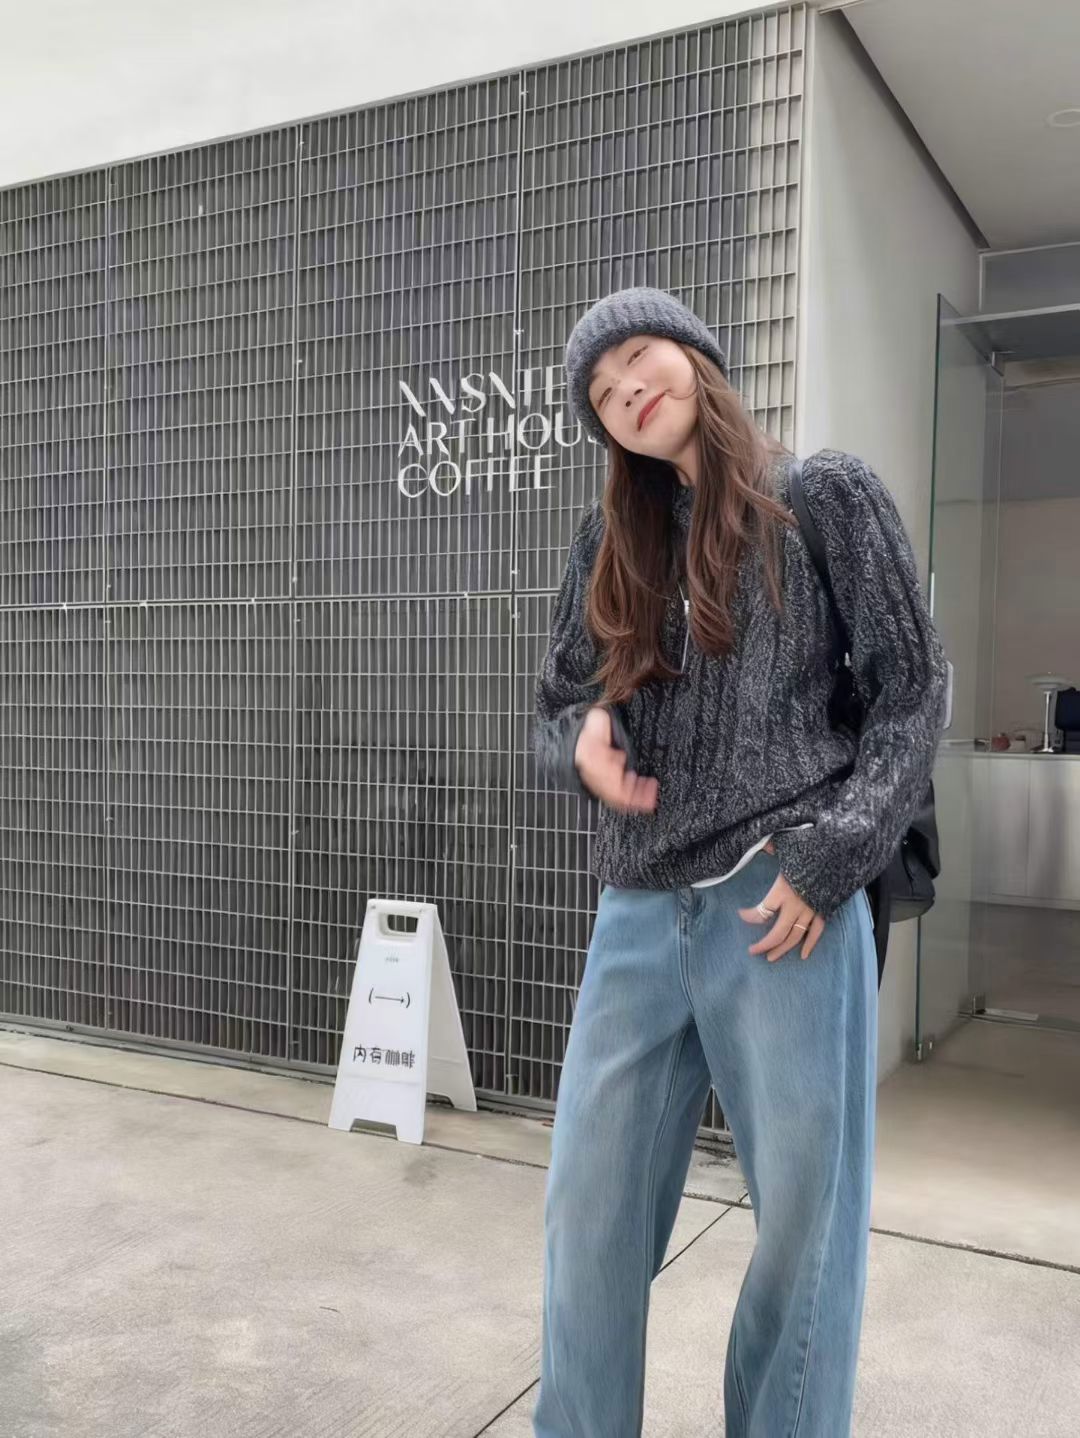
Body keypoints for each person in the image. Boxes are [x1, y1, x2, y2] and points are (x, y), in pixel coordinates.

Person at [530, 287, 948, 1438]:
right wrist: (582, 741)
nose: (627, 389)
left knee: (804, 1234)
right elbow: (558, 698)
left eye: (639, 355)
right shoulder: (611, 546)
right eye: (602, 392)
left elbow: (915, 691)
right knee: (588, 1216)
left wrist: (832, 855)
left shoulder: (823, 496)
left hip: (781, 900)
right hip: (638, 909)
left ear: (696, 355)